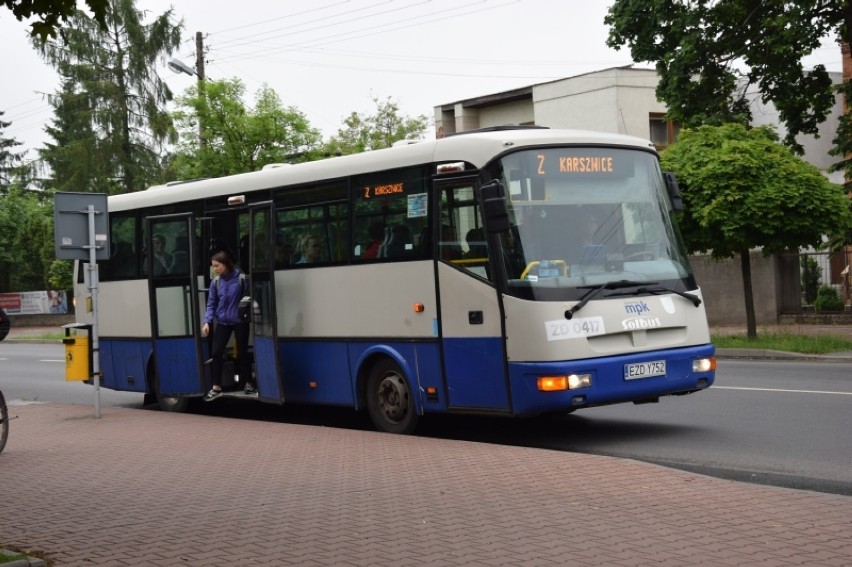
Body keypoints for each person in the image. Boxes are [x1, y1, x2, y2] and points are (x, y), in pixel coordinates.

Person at [202, 250, 256, 400]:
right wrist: (207, 321)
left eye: (217, 266)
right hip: (223, 322)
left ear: (225, 264)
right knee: (216, 352)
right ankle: (216, 387)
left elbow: (248, 296)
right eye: (213, 266)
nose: (214, 269)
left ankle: (248, 383)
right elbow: (211, 304)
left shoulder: (241, 278)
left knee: (243, 352)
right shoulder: (216, 282)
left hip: (239, 321)